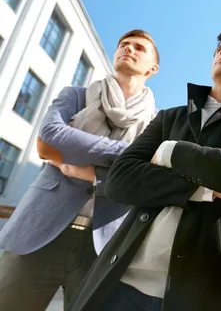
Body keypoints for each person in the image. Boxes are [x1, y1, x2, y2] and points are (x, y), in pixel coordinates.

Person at [67, 29, 221, 311]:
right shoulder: (170, 117)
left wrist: (172, 151)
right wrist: (202, 189)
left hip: (201, 289)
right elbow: (120, 180)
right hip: (119, 280)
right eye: (220, 48)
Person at [0, 29, 160, 310]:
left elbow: (147, 178)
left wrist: (90, 171)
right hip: (39, 232)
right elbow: (49, 139)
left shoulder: (157, 124)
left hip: (101, 245)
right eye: (123, 44)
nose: (128, 49)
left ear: (152, 68)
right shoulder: (76, 95)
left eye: (138, 47)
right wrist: (128, 155)